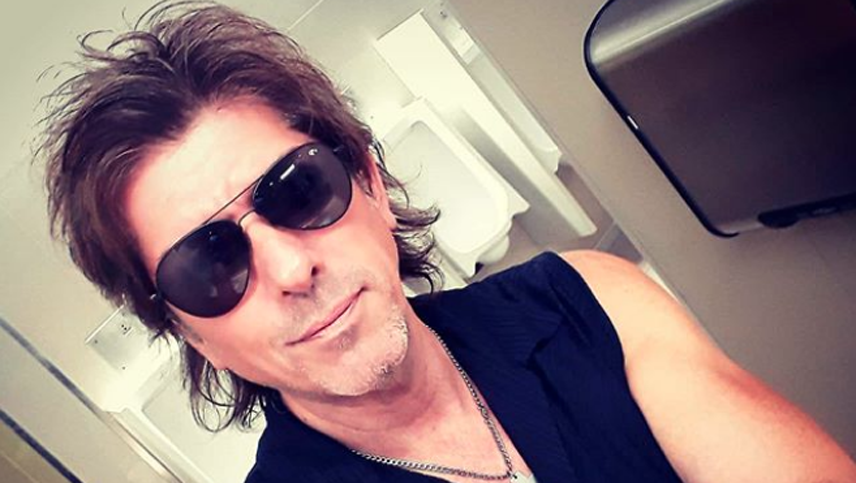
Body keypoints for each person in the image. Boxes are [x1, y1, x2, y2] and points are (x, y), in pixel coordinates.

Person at [38, 2, 856, 482]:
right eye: (210, 264)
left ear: (369, 180)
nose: (290, 267)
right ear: (191, 332)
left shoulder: (591, 299)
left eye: (298, 190)